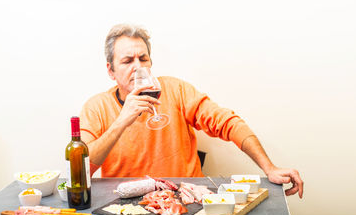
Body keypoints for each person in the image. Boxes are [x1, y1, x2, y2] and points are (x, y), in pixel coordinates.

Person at [80, 23, 304, 198]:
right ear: (111, 70)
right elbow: (81, 170)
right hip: (127, 206)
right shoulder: (96, 107)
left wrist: (270, 168)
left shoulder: (176, 89)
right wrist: (121, 122)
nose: (138, 67)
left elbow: (227, 122)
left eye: (143, 58)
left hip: (187, 197)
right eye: (128, 61)